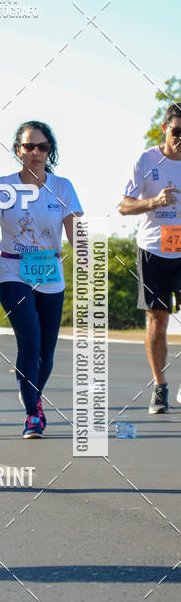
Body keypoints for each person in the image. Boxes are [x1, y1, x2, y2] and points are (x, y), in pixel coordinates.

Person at [0, 121, 83, 438]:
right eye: (29, 146)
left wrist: (87, 259)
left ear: (50, 151)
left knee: (46, 354)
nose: (36, 153)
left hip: (50, 273)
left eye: (42, 147)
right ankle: (32, 414)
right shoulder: (4, 187)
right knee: (30, 339)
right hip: (13, 272)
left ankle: (32, 394)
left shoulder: (63, 187)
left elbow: (76, 235)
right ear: (18, 151)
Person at [119, 103, 181, 413]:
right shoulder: (147, 160)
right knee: (158, 320)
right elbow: (124, 206)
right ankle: (160, 386)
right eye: (177, 132)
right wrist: (155, 201)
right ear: (165, 129)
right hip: (154, 250)